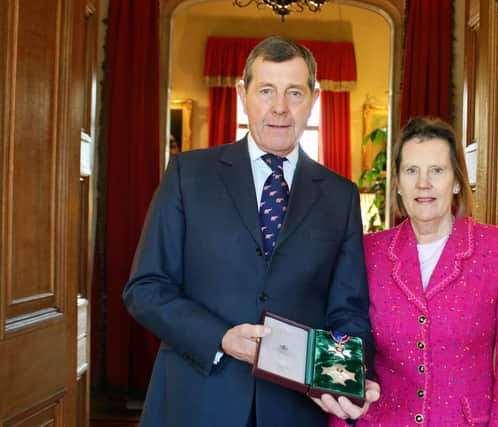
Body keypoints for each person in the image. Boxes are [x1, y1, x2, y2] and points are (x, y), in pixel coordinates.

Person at [123, 36, 380, 427]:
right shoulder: (187, 175)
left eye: (294, 92)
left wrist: (352, 379)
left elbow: (347, 310)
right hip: (194, 400)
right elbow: (145, 288)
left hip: (294, 411)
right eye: (266, 90)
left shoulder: (340, 195)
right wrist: (221, 337)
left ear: (313, 98)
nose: (279, 107)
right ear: (243, 94)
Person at [331, 117, 498, 426]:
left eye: (436, 171)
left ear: (455, 180)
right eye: (411, 171)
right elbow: (344, 330)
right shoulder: (367, 252)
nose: (423, 184)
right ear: (397, 182)